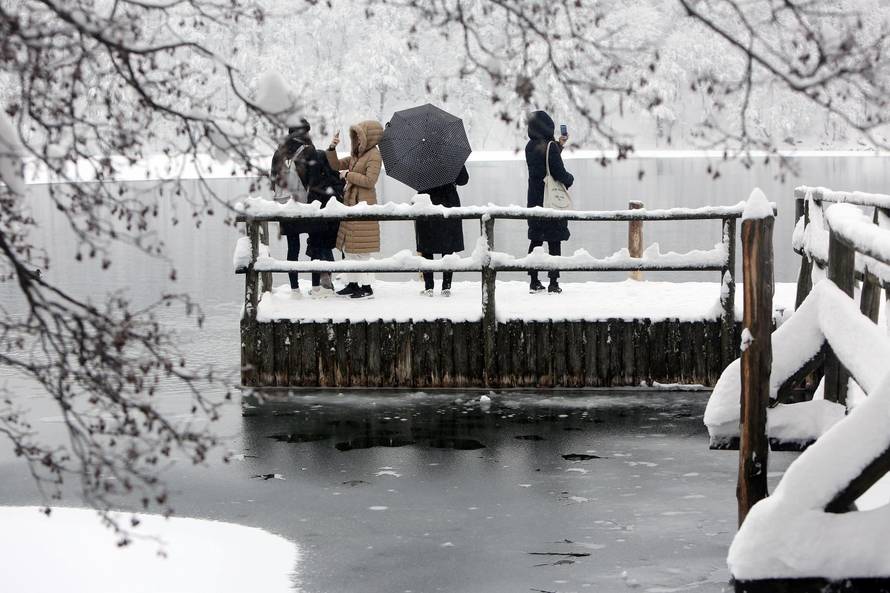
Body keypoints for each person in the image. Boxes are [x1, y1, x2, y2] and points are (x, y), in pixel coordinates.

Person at [326, 120, 384, 300]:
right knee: (349, 248)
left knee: (362, 250)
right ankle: (353, 284)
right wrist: (332, 148)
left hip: (364, 206)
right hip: (351, 204)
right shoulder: (356, 155)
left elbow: (369, 181)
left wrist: (348, 175)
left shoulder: (374, 155)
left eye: (360, 135)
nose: (357, 139)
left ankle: (366, 288)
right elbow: (335, 166)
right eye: (355, 136)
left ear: (368, 137)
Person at [525, 110, 573, 294]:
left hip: (535, 198)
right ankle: (553, 282)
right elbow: (558, 173)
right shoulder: (550, 147)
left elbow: (544, 161)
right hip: (551, 201)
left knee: (536, 238)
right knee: (554, 240)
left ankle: (534, 281)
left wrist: (559, 146)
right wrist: (570, 179)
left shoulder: (530, 146)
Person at [270, 121, 312, 297]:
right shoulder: (307, 150)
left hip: (284, 204)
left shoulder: (279, 152)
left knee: (292, 246)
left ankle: (294, 289)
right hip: (304, 203)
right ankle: (317, 286)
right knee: (314, 243)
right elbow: (312, 177)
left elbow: (273, 179)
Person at [415, 165, 469, 297]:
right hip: (448, 201)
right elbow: (464, 180)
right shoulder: (452, 156)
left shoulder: (421, 157)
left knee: (427, 245)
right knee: (448, 245)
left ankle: (429, 287)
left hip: (427, 202)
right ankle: (446, 286)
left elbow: (416, 181)